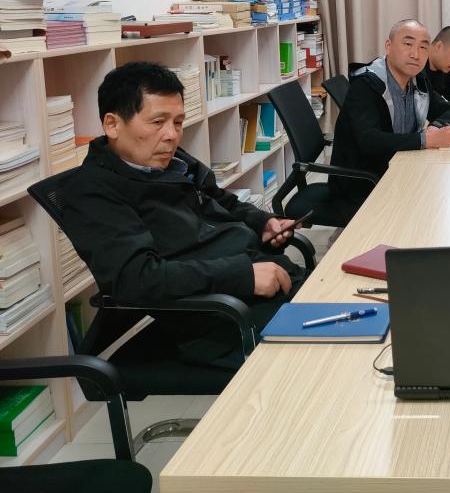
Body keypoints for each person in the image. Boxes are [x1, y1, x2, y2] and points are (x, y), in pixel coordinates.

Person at [62, 62, 304, 368]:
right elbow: (139, 278)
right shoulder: (93, 192)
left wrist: (262, 223)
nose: (171, 135)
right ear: (112, 125)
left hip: (256, 277)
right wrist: (242, 276)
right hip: (219, 318)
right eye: (157, 122)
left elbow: (218, 198)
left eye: (177, 122)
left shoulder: (170, 160)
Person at [330, 19, 450, 218]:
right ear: (388, 46)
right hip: (363, 183)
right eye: (408, 44)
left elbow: (449, 111)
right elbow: (369, 141)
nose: (415, 54)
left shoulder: (418, 80)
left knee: (448, 196)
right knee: (437, 208)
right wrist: (426, 140)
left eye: (423, 47)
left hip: (401, 170)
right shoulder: (366, 85)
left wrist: (435, 128)